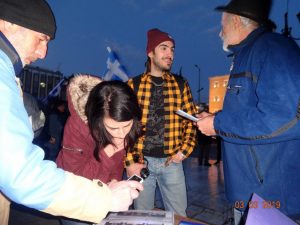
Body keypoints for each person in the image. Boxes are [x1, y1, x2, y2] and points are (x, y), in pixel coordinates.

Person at [0, 0, 143, 224]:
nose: (43, 52)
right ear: (9, 23)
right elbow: (21, 174)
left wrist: (131, 162)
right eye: (41, 39)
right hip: (83, 203)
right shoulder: (78, 126)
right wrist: (104, 191)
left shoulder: (7, 72)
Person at [196, 0, 300, 224]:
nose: (219, 31)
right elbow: (247, 109)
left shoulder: (273, 48)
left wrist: (218, 124)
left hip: (272, 196)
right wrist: (215, 119)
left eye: (221, 23)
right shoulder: (246, 54)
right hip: (249, 190)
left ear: (235, 20)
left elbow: (287, 116)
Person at [126, 28, 197, 216]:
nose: (170, 54)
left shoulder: (181, 84)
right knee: (142, 216)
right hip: (141, 162)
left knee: (178, 215)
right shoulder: (134, 85)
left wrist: (184, 151)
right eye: (164, 48)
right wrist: (129, 162)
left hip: (171, 162)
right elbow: (124, 127)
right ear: (150, 53)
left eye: (172, 49)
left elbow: (190, 121)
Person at [56, 77, 142, 225]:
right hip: (75, 195)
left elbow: (116, 166)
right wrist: (109, 151)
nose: (122, 134)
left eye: (127, 125)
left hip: (106, 194)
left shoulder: (126, 123)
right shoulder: (76, 126)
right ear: (98, 119)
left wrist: (114, 182)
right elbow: (75, 177)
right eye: (113, 128)